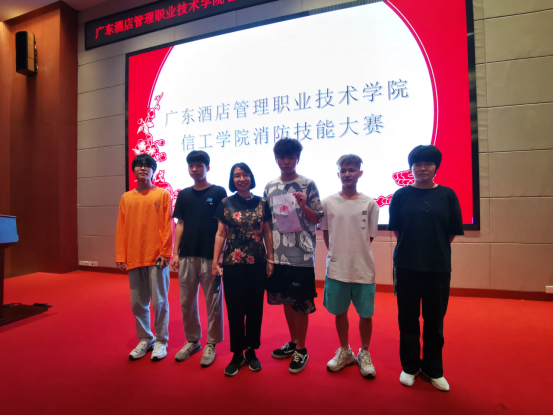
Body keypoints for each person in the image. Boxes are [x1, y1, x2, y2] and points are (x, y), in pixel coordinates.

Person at [387, 145, 464, 392]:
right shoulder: (400, 195)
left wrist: (433, 249)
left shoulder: (448, 195)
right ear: (411, 168)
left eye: (428, 164)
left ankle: (433, 369)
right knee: (407, 319)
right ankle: (410, 367)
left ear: (436, 167)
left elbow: (451, 232)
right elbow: (397, 230)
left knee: (435, 321)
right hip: (406, 266)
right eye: (417, 164)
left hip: (438, 266)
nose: (422, 168)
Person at [264, 138, 323, 374]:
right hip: (278, 255)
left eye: (291, 157)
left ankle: (302, 348)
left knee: (301, 303)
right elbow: (267, 222)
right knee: (287, 300)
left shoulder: (308, 184)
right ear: (276, 159)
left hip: (301, 255)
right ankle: (293, 341)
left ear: (297, 158)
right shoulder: (270, 186)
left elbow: (317, 218)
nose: (286, 161)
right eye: (282, 157)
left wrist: (304, 205)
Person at [212, 163, 274, 377]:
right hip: (233, 265)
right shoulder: (225, 203)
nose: (241, 178)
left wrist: (271, 259)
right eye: (237, 175)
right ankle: (237, 353)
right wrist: (215, 261)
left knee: (255, 309)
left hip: (257, 264)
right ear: (232, 179)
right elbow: (220, 234)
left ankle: (251, 351)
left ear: (251, 177)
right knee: (235, 310)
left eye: (245, 174)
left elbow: (267, 232)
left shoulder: (262, 203)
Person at [321, 154, 379, 377]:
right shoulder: (328, 202)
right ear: (338, 174)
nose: (347, 174)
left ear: (360, 173)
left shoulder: (370, 204)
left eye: (352, 170)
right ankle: (345, 351)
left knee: (366, 314)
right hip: (337, 269)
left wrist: (354, 253)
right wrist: (340, 254)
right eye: (343, 170)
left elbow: (369, 237)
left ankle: (364, 352)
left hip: (363, 269)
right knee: (340, 312)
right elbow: (326, 235)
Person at [171, 151, 227, 367]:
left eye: (199, 165)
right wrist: (176, 253)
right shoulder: (184, 194)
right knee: (186, 302)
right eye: (191, 166)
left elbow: (222, 227)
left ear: (207, 167)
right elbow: (180, 224)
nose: (194, 169)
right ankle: (193, 340)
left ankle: (211, 343)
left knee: (213, 302)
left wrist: (219, 256)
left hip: (209, 257)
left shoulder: (218, 192)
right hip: (186, 255)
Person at [115, 153, 173, 361]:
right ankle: (145, 338)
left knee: (159, 302)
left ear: (153, 170)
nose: (143, 168)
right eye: (139, 165)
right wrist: (121, 254)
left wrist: (165, 252)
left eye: (147, 165)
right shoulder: (126, 197)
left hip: (156, 256)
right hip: (134, 256)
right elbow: (121, 226)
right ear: (133, 170)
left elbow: (169, 225)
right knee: (138, 302)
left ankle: (161, 340)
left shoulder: (162, 195)